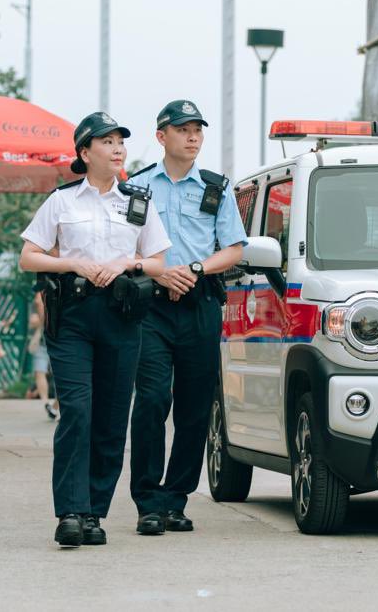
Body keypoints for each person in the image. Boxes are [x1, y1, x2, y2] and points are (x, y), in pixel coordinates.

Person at [19, 112, 170, 548]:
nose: (118, 147)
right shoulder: (62, 202)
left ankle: (93, 513)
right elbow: (29, 257)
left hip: (123, 317)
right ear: (85, 153)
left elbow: (158, 262)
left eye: (121, 140)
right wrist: (73, 262)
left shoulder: (137, 202)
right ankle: (69, 510)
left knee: (110, 418)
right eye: (106, 142)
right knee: (78, 411)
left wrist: (128, 262)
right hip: (73, 316)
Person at [126, 100, 247, 535]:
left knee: (194, 409)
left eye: (198, 129)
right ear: (161, 136)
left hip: (200, 303)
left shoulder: (216, 188)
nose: (193, 136)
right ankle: (147, 501)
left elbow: (234, 248)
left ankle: (175, 500)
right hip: (151, 307)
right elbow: (127, 246)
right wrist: (162, 273)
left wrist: (194, 270)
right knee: (153, 401)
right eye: (183, 129)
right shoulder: (137, 187)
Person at [26, 291, 57, 420]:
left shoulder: (51, 294)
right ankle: (50, 404)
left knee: (44, 372)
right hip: (46, 341)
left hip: (51, 340)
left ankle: (50, 405)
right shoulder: (36, 303)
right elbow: (33, 321)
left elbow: (37, 319)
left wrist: (43, 319)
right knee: (42, 372)